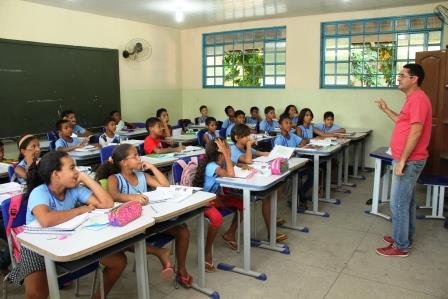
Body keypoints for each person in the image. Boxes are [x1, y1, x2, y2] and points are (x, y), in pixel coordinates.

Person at [9, 151, 126, 299]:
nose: (76, 172)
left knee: (119, 261)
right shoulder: (40, 192)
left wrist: (85, 178)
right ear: (56, 174)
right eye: (72, 168)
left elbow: (107, 203)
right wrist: (80, 210)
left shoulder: (74, 190)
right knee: (36, 295)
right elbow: (46, 220)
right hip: (38, 249)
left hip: (70, 241)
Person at [95, 144, 193, 286]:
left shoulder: (142, 175)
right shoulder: (114, 178)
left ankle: (181, 270)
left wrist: (152, 167)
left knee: (183, 231)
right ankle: (160, 253)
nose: (139, 158)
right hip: (131, 227)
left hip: (151, 221)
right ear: (124, 162)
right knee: (125, 243)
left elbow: (165, 186)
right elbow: (113, 195)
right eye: (134, 156)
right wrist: (132, 197)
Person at [375, 64, 432, 257]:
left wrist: (402, 160)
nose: (398, 78)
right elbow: (403, 122)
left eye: (402, 75)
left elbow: (416, 132)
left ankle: (401, 245)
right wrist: (385, 109)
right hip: (407, 158)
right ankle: (404, 236)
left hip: (410, 160)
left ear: (414, 79)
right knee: (406, 201)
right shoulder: (413, 99)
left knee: (398, 204)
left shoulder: (418, 99)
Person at [192, 139, 243, 272]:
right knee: (217, 218)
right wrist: (227, 154)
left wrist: (227, 157)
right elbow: (231, 175)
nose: (229, 149)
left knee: (243, 204)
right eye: (227, 148)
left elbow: (233, 169)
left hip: (216, 198)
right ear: (220, 153)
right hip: (204, 201)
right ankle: (207, 251)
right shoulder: (212, 166)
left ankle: (230, 234)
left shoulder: (220, 163)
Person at [230, 124, 287, 242]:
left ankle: (272, 227)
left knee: (273, 192)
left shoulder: (244, 147)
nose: (248, 138)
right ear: (237, 138)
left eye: (248, 135)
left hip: (250, 181)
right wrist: (249, 145)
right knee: (267, 198)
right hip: (237, 186)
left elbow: (261, 153)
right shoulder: (234, 149)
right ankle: (271, 233)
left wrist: (278, 154)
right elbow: (248, 160)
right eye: (245, 136)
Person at [275, 114, 312, 209]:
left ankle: (302, 195)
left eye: (290, 123)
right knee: (293, 178)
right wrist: (294, 150)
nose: (289, 125)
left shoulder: (292, 135)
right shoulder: (279, 139)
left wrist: (300, 145)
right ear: (280, 126)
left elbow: (303, 141)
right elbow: (280, 155)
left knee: (312, 174)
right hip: (288, 165)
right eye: (286, 123)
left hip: (298, 162)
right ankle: (293, 201)